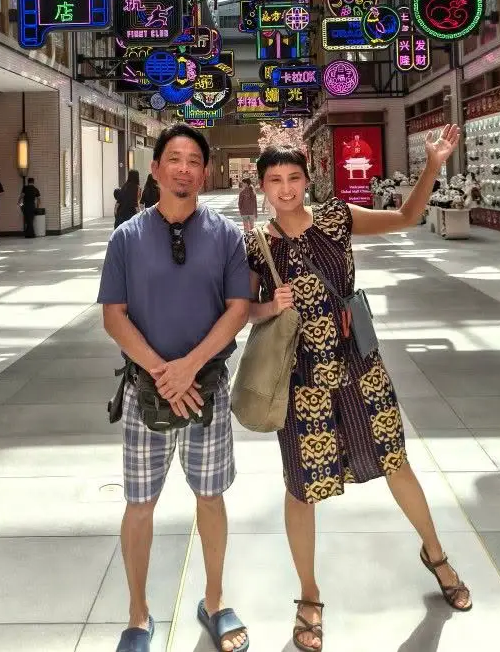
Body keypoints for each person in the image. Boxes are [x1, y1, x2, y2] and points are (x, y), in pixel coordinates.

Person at [245, 127, 471, 651]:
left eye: (293, 178)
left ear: (308, 179)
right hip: (302, 381)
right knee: (302, 486)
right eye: (274, 180)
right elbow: (243, 313)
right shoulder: (256, 245)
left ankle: (435, 554)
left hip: (360, 368)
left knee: (396, 461)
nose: (285, 189)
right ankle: (309, 595)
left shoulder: (337, 218)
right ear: (261, 186)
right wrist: (269, 306)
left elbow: (407, 217)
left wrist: (433, 164)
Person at [99, 124, 252, 652]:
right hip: (147, 391)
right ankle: (138, 614)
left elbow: (238, 310)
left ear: (204, 172)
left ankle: (213, 601)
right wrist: (165, 372)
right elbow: (114, 318)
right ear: (158, 169)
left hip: (208, 389)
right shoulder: (126, 238)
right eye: (175, 159)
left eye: (194, 160)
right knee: (140, 502)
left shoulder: (229, 236)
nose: (184, 168)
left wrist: (190, 366)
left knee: (210, 496)